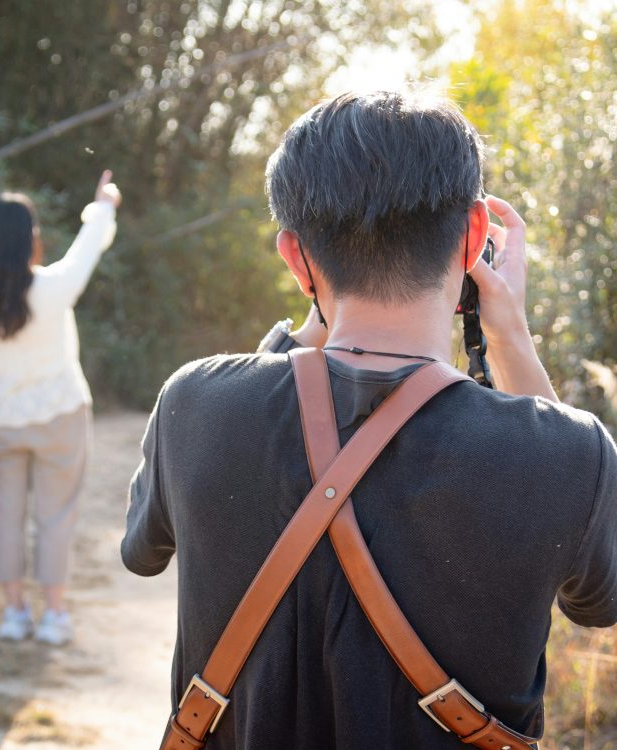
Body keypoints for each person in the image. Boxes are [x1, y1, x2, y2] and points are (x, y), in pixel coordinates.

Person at [123, 90, 617, 749]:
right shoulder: (569, 452)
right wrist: (509, 337)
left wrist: (313, 317)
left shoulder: (194, 403)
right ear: (474, 239)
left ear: (294, 257)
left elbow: (141, 552)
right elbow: (600, 600)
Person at [0, 170, 121, 646]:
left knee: (5, 515)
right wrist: (103, 205)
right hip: (60, 415)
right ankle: (53, 615)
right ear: (31, 237)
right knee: (55, 517)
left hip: (2, 421)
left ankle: (13, 613)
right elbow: (88, 248)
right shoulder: (53, 286)